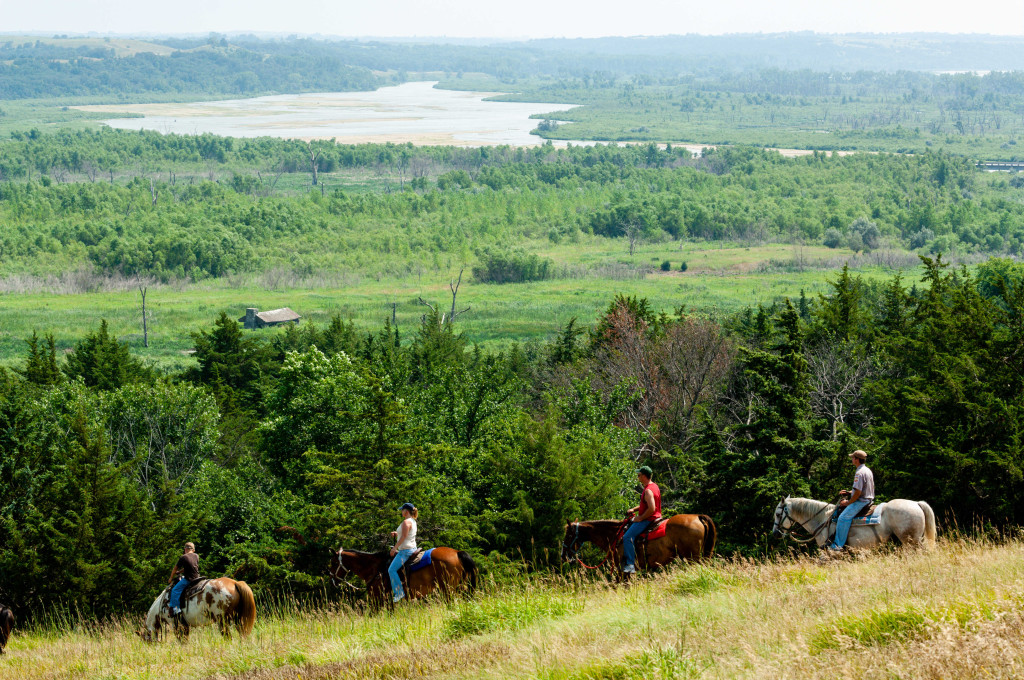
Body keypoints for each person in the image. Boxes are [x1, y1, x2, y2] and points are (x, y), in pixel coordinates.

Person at [828, 450, 875, 551]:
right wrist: (849, 493)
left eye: (853, 458)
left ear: (857, 459)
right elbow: (862, 488)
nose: (852, 459)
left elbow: (858, 492)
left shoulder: (859, 472)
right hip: (868, 499)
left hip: (861, 501)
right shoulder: (867, 470)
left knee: (843, 518)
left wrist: (848, 502)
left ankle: (837, 546)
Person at [622, 466, 661, 574]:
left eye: (639, 475)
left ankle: (630, 565)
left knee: (627, 536)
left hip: (648, 519)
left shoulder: (648, 490)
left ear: (644, 476)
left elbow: (652, 508)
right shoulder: (654, 486)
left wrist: (640, 518)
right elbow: (646, 504)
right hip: (656, 517)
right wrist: (634, 509)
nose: (638, 477)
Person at [388, 503, 418, 602]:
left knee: (391, 570)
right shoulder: (412, 521)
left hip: (405, 551)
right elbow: (406, 534)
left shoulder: (406, 522)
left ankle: (399, 592)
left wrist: (394, 548)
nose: (401, 511)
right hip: (412, 548)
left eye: (402, 510)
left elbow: (404, 537)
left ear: (406, 511)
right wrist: (397, 533)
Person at [167, 542, 200, 616]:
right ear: (193, 550)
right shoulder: (196, 556)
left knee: (175, 590)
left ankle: (176, 609)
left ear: (185, 549)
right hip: (197, 577)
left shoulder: (183, 557)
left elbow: (174, 568)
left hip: (189, 579)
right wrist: (180, 572)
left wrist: (170, 578)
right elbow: (191, 567)